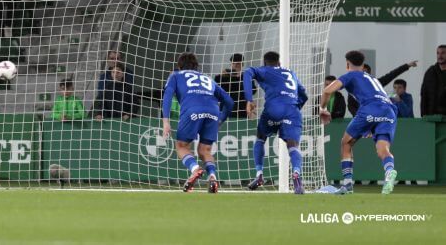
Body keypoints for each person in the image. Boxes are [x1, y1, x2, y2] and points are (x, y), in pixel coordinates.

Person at [321, 50, 399, 195]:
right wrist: (371, 126)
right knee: (383, 149)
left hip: (370, 109)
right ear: (363, 65)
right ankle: (389, 171)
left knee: (346, 143)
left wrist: (323, 109)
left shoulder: (350, 75)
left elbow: (327, 91)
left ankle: (347, 184)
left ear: (347, 64)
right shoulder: (372, 78)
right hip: (389, 111)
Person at [162, 52, 233, 193]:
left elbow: (167, 96)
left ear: (179, 66)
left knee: (181, 146)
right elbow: (229, 102)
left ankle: (195, 169)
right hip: (213, 111)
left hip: (192, 110)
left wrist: (166, 121)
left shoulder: (175, 75)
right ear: (196, 66)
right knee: (205, 150)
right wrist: (220, 119)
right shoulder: (207, 79)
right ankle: (212, 177)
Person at [242, 51, 309, 194]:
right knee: (293, 146)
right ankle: (296, 174)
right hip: (292, 110)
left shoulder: (264, 70)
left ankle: (259, 175)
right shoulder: (291, 73)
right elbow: (304, 94)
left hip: (273, 109)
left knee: (260, 139)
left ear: (264, 62)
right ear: (279, 62)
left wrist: (249, 100)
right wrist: (293, 109)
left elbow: (247, 72)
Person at [420, 44, 446, 116]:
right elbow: (424, 94)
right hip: (431, 114)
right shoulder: (430, 72)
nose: (440, 56)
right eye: (438, 53)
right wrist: (423, 114)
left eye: (443, 53)